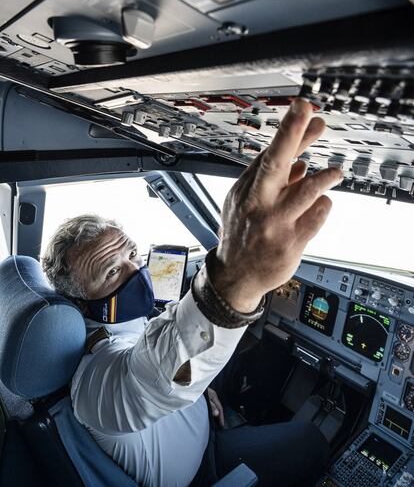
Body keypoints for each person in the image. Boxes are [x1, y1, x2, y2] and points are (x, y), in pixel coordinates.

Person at [42, 98, 342, 487]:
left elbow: (159, 362)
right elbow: (151, 382)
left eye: (132, 254)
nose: (137, 271)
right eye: (112, 271)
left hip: (202, 423)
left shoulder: (124, 322)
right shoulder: (91, 383)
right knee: (308, 440)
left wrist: (198, 399)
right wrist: (237, 279)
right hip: (204, 472)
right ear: (81, 303)